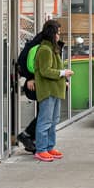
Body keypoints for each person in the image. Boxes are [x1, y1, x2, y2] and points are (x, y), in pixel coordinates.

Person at [29, 20, 72, 162]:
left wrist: (63, 79)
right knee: (45, 121)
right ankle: (41, 149)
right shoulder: (45, 50)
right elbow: (45, 71)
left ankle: (49, 147)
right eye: (57, 33)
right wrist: (63, 73)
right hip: (47, 91)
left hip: (55, 90)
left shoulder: (52, 49)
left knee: (53, 121)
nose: (59, 35)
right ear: (51, 33)